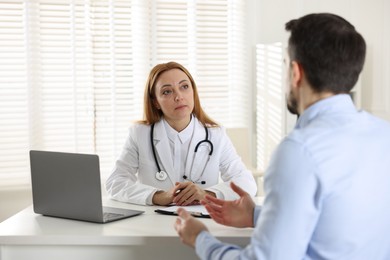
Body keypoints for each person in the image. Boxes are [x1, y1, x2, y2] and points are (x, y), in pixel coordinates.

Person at [174, 13, 390, 259]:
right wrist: (255, 215)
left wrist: (200, 239)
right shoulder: (384, 136)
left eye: (284, 64)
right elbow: (338, 223)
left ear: (296, 72)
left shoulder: (299, 151)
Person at [106, 61, 257, 206]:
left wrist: (207, 194)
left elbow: (246, 183)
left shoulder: (215, 135)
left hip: (202, 221)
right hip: (154, 222)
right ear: (155, 102)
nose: (179, 97)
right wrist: (158, 196)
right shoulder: (140, 134)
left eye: (184, 87)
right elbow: (116, 182)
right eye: (167, 91)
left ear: (193, 92)